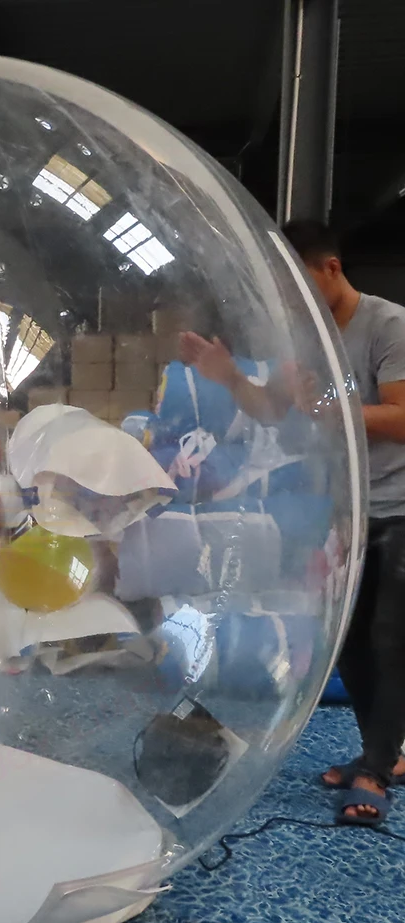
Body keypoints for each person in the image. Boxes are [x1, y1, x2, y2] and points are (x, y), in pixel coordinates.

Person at [178, 219, 405, 826]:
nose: (294, 302)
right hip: (351, 508)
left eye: (301, 283)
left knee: (390, 638)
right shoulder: (307, 340)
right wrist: (229, 377)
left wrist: (327, 407)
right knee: (349, 641)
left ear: (332, 268)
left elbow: (402, 417)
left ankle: (376, 770)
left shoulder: (389, 325)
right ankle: (381, 751)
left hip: (400, 506)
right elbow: (274, 412)